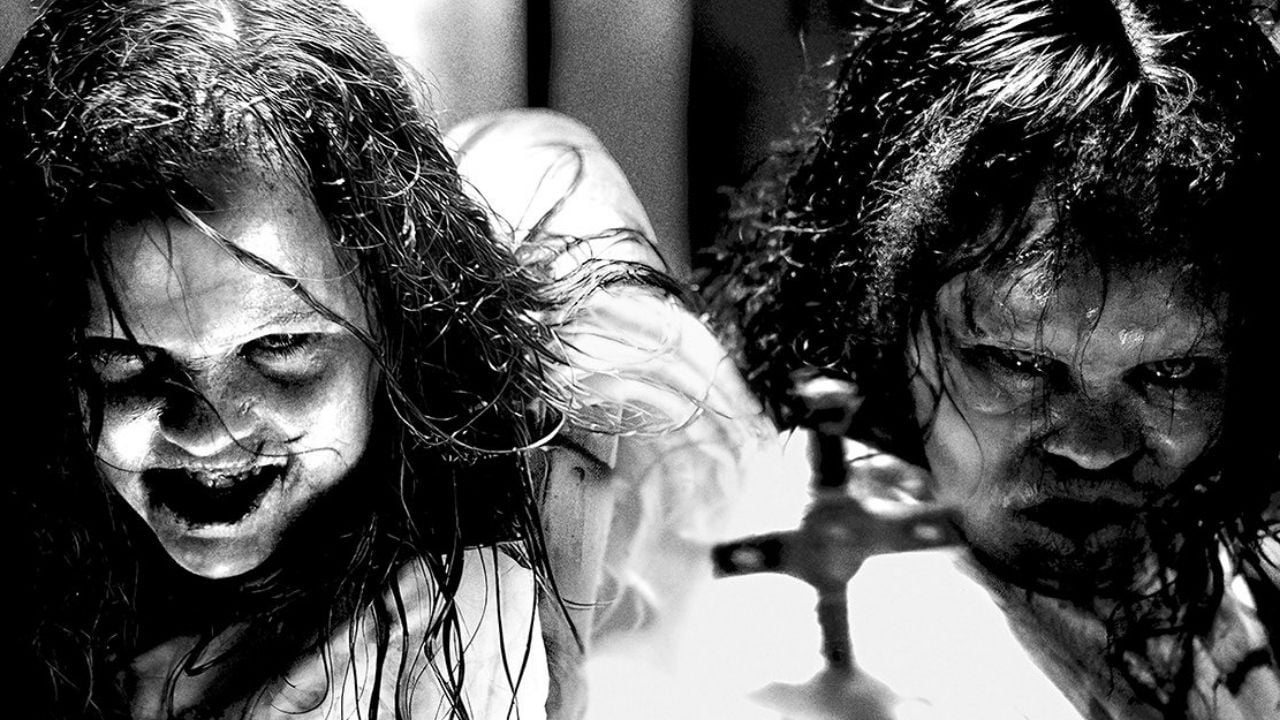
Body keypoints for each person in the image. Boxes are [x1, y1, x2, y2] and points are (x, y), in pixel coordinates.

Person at [2, 1, 769, 718]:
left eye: (279, 346)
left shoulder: (576, 471)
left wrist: (554, 597)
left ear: (404, 325)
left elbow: (539, 150)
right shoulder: (39, 520)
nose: (209, 430)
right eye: (127, 359)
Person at [705, 0, 1280, 717]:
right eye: (1020, 363)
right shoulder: (832, 637)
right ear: (887, 321)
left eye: (1171, 373)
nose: (1093, 448)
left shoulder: (1214, 560)